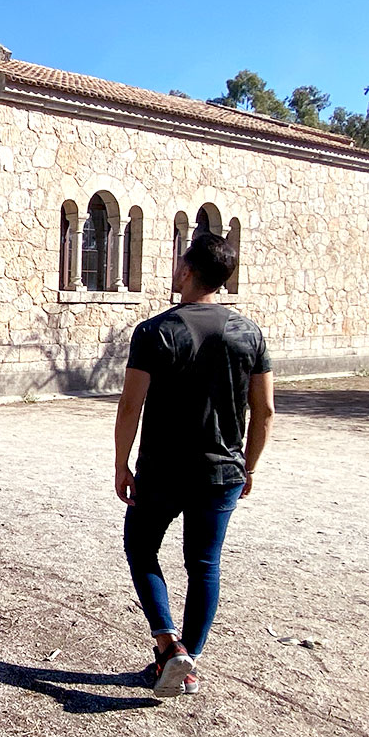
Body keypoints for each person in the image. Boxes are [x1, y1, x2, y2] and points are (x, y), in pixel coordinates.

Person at [112, 230, 275, 699]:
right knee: (204, 563)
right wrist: (251, 465)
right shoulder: (250, 334)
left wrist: (122, 464)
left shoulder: (155, 331)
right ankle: (190, 660)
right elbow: (263, 411)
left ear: (186, 271)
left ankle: (167, 646)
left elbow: (130, 406)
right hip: (221, 471)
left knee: (142, 550)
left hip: (162, 470)